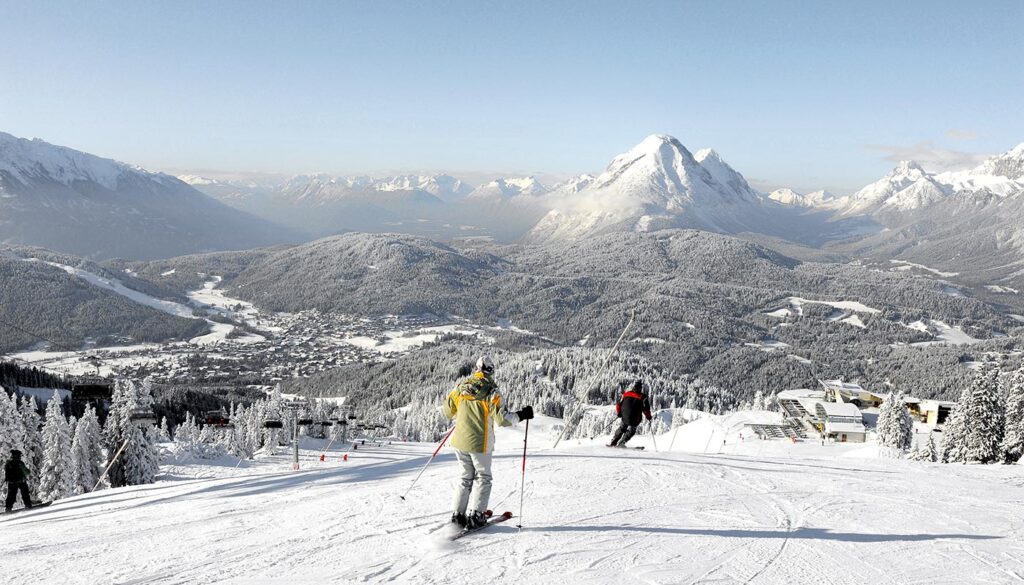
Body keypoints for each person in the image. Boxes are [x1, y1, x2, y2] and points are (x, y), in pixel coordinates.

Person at [444, 356, 533, 529]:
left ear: (476, 369)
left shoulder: (460, 387)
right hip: (480, 443)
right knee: (483, 477)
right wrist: (522, 415)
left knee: (465, 477)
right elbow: (503, 420)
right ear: (491, 370)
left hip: (459, 440)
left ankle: (457, 515)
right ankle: (476, 516)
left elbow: (447, 411)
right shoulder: (492, 392)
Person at [608, 380, 652, 448]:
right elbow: (646, 409)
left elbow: (618, 404)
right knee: (631, 431)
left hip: (624, 417)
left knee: (622, 428)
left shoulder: (626, 394)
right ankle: (622, 443)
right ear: (640, 388)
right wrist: (648, 417)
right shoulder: (643, 397)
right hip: (634, 419)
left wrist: (619, 413)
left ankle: (613, 442)